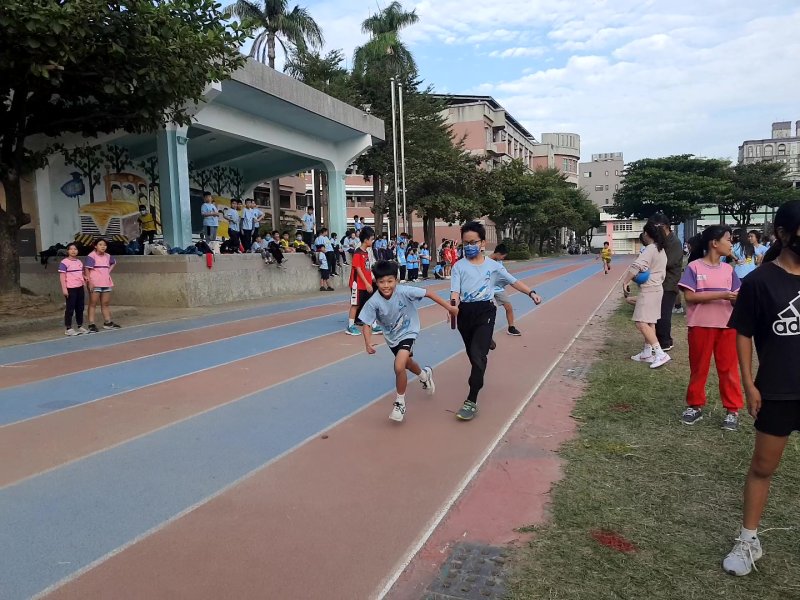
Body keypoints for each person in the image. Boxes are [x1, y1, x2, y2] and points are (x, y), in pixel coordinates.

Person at [722, 200, 800, 577]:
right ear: (783, 233)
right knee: (763, 467)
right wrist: (749, 383)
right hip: (778, 389)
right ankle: (748, 539)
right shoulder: (759, 281)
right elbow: (743, 333)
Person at [450, 222, 542, 421]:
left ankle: (471, 400)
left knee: (478, 358)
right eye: (465, 243)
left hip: (485, 311)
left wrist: (531, 293)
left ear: (482, 243)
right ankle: (486, 341)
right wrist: (453, 306)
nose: (469, 246)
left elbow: (513, 281)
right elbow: (455, 291)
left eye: (473, 242)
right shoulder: (458, 266)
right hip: (465, 313)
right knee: (472, 354)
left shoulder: (494, 267)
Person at [360, 260, 458, 422]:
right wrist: (367, 342)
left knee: (399, 365)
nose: (386, 285)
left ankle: (400, 403)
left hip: (409, 331)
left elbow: (428, 293)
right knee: (407, 363)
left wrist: (449, 307)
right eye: (382, 282)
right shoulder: (373, 302)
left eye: (390, 281)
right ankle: (424, 375)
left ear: (396, 280)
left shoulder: (404, 291)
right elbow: (367, 324)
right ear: (376, 282)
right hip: (392, 337)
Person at [678, 225, 743, 430]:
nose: (731, 243)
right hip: (700, 326)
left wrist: (737, 299)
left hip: (727, 327)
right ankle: (695, 406)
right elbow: (690, 296)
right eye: (728, 239)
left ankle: (732, 410)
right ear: (715, 243)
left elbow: (737, 297)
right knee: (699, 368)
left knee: (729, 369)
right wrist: (722, 294)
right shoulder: (694, 267)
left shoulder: (729, 270)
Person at [624, 221, 669, 369]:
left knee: (641, 322)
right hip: (657, 288)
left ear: (647, 234)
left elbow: (636, 266)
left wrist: (626, 281)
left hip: (649, 290)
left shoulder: (650, 249)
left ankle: (660, 353)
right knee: (650, 322)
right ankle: (647, 352)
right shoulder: (660, 249)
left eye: (644, 233)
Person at [649, 213, 684, 352]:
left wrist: (652, 263)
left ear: (665, 226)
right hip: (659, 282)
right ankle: (660, 340)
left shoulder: (674, 242)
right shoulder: (661, 241)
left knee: (663, 314)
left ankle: (665, 342)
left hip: (669, 283)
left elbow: (668, 262)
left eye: (657, 227)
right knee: (657, 314)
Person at [346, 226, 383, 336]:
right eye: (371, 239)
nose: (373, 241)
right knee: (355, 305)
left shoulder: (366, 253)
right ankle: (350, 326)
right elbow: (358, 269)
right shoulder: (357, 253)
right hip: (357, 285)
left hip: (366, 284)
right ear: (366, 240)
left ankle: (374, 325)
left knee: (370, 304)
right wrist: (367, 283)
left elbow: (367, 269)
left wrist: (373, 280)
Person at [83, 238, 120, 331]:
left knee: (105, 303)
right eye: (100, 244)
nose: (103, 246)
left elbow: (113, 263)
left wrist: (108, 271)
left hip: (106, 282)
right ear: (95, 246)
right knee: (93, 303)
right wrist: (89, 282)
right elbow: (87, 269)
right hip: (95, 283)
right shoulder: (91, 255)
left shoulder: (108, 256)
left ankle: (108, 322)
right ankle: (91, 323)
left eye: (104, 245)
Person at [490, 244, 522, 336]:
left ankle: (511, 328)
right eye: (503, 256)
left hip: (499, 289)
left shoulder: (499, 261)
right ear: (498, 253)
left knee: (509, 307)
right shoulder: (486, 261)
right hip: (488, 289)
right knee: (488, 310)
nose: (503, 259)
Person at [58, 242, 87, 336]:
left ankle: (80, 325)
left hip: (80, 287)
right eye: (71, 249)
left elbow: (81, 273)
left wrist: (85, 278)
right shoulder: (64, 262)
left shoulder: (79, 262)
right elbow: (62, 277)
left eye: (75, 249)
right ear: (67, 251)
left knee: (80, 307)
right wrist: (64, 289)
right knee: (70, 308)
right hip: (70, 288)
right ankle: (68, 328)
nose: (73, 251)